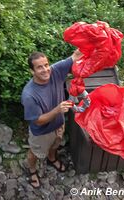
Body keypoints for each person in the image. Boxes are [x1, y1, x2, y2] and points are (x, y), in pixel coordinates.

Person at [21, 49, 82, 188]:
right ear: (32, 71)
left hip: (59, 124)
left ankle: (52, 158)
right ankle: (32, 170)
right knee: (35, 153)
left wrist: (98, 35)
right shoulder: (29, 94)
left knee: (56, 144)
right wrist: (57, 110)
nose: (45, 70)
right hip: (42, 132)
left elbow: (76, 55)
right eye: (39, 67)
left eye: (46, 65)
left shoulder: (56, 71)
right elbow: (38, 120)